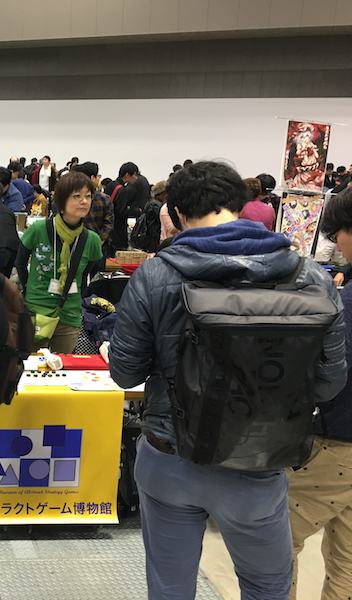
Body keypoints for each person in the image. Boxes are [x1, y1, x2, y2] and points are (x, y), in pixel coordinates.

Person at [107, 161, 346, 600]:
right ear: (241, 205)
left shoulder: (156, 275)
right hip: (260, 459)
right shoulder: (309, 276)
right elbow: (330, 383)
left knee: (170, 586)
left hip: (170, 455)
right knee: (266, 585)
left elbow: (124, 372)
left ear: (177, 212)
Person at [288, 186, 352, 600]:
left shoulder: (345, 304)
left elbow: (328, 376)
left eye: (339, 232)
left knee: (274, 542)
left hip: (336, 443)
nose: (336, 244)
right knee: (347, 557)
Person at [17, 171, 103, 353]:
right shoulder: (38, 229)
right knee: (30, 363)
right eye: (77, 196)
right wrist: (28, 288)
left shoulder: (91, 240)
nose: (84, 201)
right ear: (62, 199)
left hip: (69, 313)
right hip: (36, 308)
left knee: (63, 366)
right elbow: (20, 262)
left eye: (88, 196)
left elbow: (85, 273)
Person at [76, 162, 114, 265]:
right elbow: (109, 224)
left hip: (78, 245)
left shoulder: (74, 198)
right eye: (98, 176)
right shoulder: (105, 198)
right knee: (97, 274)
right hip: (99, 248)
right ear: (92, 178)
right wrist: (100, 241)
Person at [105, 162, 139, 255]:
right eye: (134, 175)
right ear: (127, 175)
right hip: (118, 231)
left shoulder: (110, 185)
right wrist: (135, 211)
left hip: (108, 226)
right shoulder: (122, 191)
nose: (136, 178)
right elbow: (121, 212)